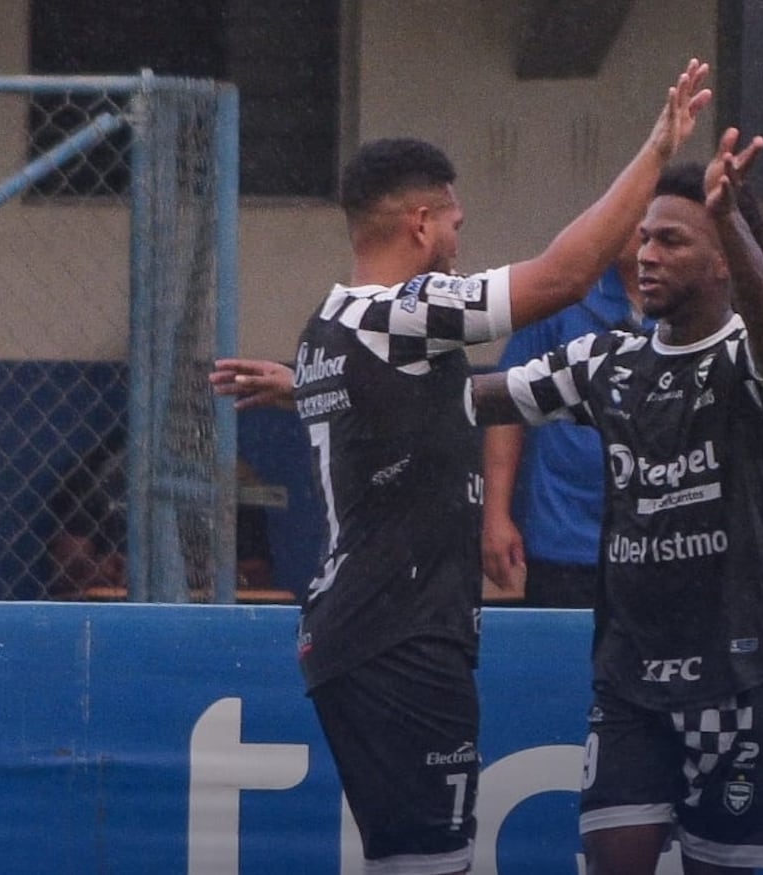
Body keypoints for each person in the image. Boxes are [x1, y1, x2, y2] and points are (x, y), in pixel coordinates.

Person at [210, 60, 712, 875]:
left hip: (360, 633)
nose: (457, 241)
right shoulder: (400, 314)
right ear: (419, 223)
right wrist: (658, 149)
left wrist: (299, 386)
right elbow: (564, 276)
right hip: (401, 637)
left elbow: (422, 405)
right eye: (453, 222)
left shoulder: (330, 324)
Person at [471, 130, 763, 874]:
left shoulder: (757, 360)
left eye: (671, 241)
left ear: (724, 258)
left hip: (735, 679)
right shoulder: (609, 359)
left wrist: (729, 215)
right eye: (644, 237)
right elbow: (479, 398)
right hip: (629, 680)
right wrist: (320, 387)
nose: (647, 254)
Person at [481, 230, 648, 607]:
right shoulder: (566, 296)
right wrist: (495, 516)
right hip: (564, 538)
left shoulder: (690, 309)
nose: (636, 226)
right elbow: (504, 407)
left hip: (656, 541)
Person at [46, 425, 273, 599]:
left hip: (206, 609)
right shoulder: (98, 468)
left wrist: (204, 573)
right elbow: (68, 567)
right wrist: (106, 570)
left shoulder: (227, 474)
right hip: (119, 607)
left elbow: (257, 574)